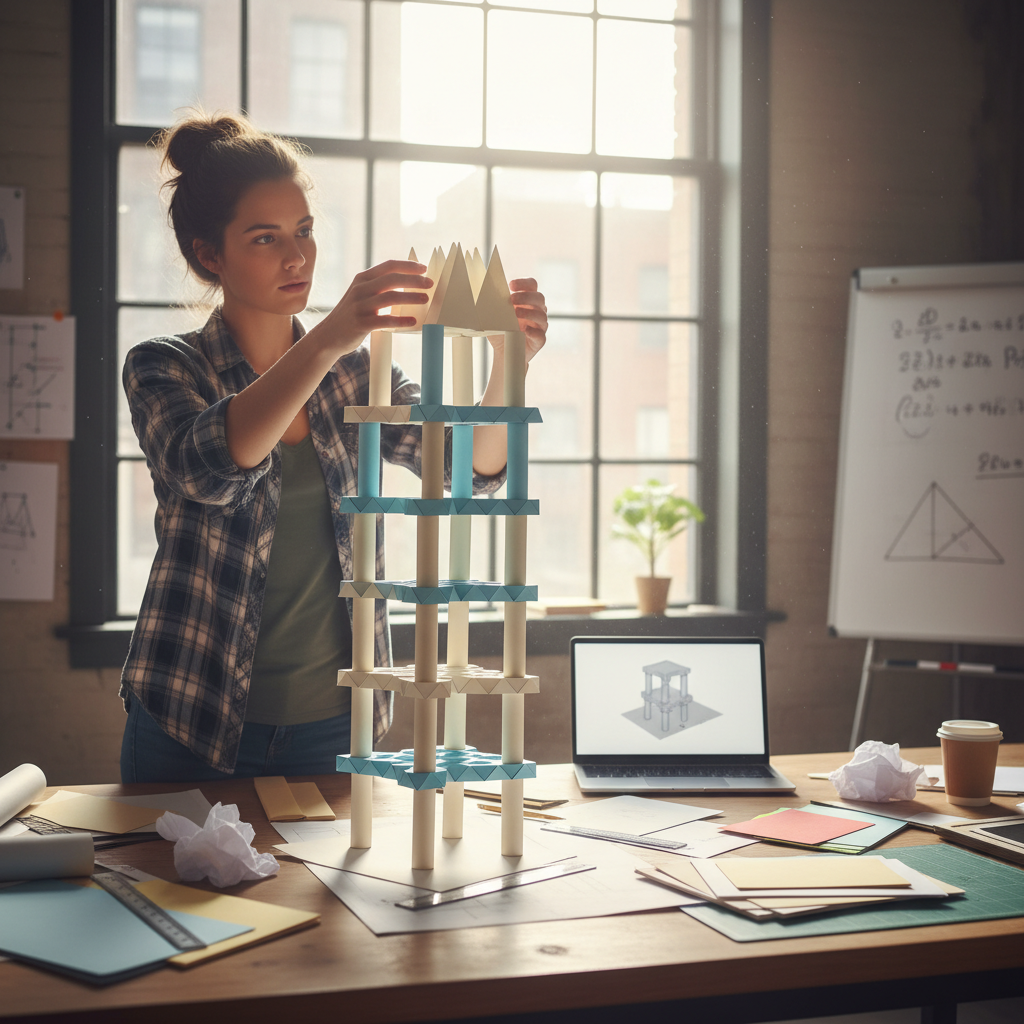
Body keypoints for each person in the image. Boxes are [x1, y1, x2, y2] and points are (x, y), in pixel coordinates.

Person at [119, 113, 547, 783]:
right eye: (265, 238)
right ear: (210, 255)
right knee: (170, 890)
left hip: (333, 723)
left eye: (305, 231)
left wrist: (509, 363)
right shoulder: (164, 366)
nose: (297, 258)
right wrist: (325, 339)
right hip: (191, 719)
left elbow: (470, 470)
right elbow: (212, 469)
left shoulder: (352, 373)